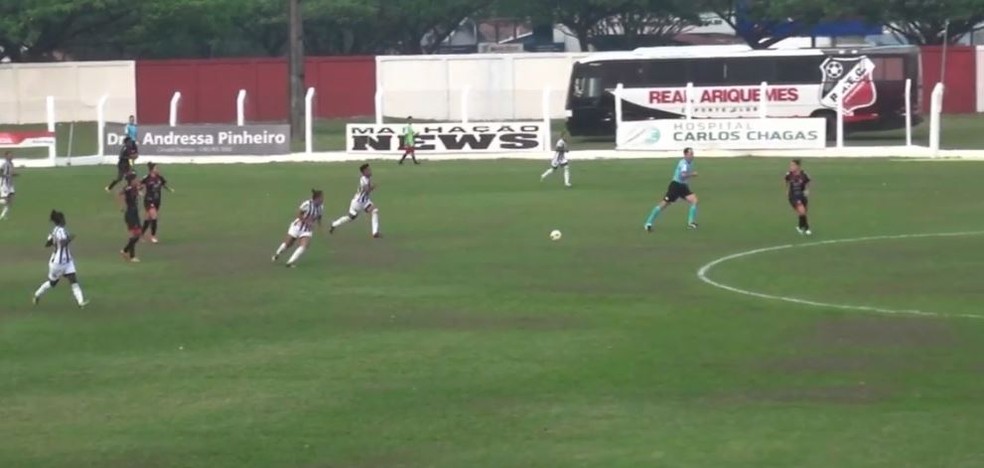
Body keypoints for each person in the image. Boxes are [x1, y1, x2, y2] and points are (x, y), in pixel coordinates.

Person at [33, 210, 89, 308]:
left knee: (73, 281)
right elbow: (63, 243)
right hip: (57, 264)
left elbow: (47, 244)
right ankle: (37, 295)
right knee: (52, 283)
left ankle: (81, 302)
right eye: (64, 218)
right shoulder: (61, 231)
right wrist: (70, 238)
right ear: (61, 220)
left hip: (67, 261)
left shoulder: (53, 231)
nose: (65, 220)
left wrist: (53, 241)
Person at [644, 147, 699, 232]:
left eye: (693, 154)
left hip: (683, 186)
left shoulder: (689, 162)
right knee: (664, 204)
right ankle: (648, 223)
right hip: (676, 186)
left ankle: (691, 223)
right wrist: (692, 174)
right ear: (685, 155)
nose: (692, 156)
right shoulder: (683, 163)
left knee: (694, 200)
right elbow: (683, 175)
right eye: (690, 154)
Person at [272, 190, 325, 268]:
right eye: (321, 197)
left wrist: (320, 226)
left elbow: (319, 217)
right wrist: (306, 221)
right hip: (297, 226)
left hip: (307, 230)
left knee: (304, 245)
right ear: (316, 198)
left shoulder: (321, 207)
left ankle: (290, 262)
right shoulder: (307, 204)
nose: (323, 199)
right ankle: (277, 254)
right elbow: (298, 214)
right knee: (288, 244)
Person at [330, 163, 380, 238]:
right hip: (358, 203)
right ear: (364, 172)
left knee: (374, 211)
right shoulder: (363, 179)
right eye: (368, 170)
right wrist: (373, 187)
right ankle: (334, 224)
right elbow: (366, 190)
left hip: (365, 201)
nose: (370, 171)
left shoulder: (367, 178)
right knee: (350, 217)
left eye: (369, 169)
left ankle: (375, 232)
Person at [140, 162, 173, 243]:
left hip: (157, 201)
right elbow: (139, 185)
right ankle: (153, 236)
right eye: (156, 168)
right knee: (154, 216)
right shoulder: (147, 178)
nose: (157, 169)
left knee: (148, 218)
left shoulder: (159, 177)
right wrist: (139, 192)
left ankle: (141, 235)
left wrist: (169, 189)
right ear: (152, 170)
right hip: (149, 200)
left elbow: (163, 184)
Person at [118, 173, 142, 262]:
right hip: (130, 213)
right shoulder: (128, 188)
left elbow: (140, 188)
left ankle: (125, 250)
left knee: (138, 233)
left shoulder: (135, 188)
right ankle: (132, 256)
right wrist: (121, 206)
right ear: (131, 181)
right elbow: (120, 194)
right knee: (134, 234)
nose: (137, 180)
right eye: (135, 179)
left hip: (135, 213)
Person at [785, 159, 812, 235]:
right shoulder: (789, 174)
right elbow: (786, 181)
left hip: (802, 195)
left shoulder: (804, 174)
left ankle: (800, 227)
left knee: (802, 213)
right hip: (793, 196)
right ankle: (807, 228)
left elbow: (808, 182)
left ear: (798, 166)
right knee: (802, 211)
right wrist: (786, 190)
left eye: (793, 165)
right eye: (790, 165)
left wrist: (807, 190)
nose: (791, 167)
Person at [1, 151, 16, 220]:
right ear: (6, 157)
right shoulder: (5, 164)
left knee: (11, 199)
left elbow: (11, 173)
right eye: (9, 155)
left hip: (10, 184)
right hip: (5, 184)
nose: (11, 156)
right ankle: (3, 215)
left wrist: (14, 174)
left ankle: (3, 214)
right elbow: (1, 173)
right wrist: (6, 176)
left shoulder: (11, 164)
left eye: (11, 155)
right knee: (7, 200)